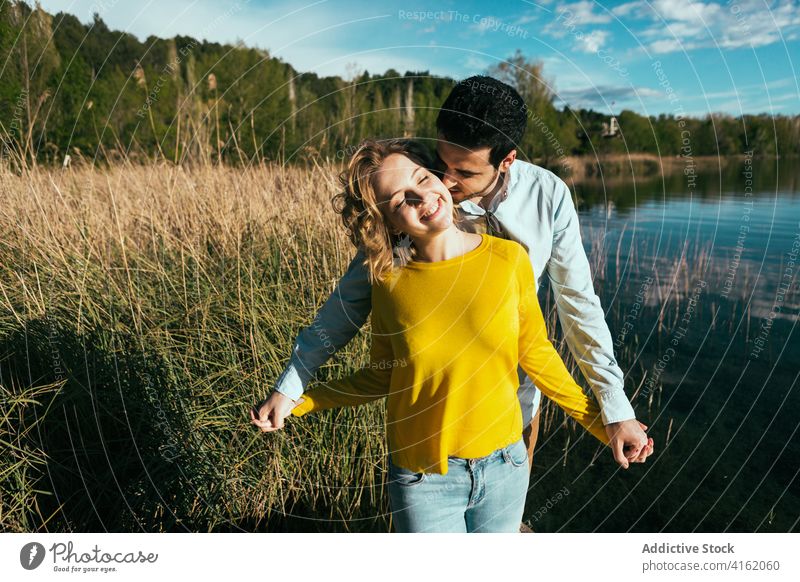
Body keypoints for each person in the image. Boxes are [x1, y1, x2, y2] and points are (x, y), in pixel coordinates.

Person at [253, 75, 653, 474]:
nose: (445, 180)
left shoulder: (547, 196)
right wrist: (292, 387)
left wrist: (613, 408)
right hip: (431, 428)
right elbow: (346, 306)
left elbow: (578, 305)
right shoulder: (421, 199)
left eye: (463, 171)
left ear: (507, 160)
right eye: (440, 164)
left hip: (516, 409)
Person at [253, 139, 619, 532]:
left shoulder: (509, 260)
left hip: (506, 467)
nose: (420, 198)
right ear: (389, 224)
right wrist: (299, 401)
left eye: (422, 179)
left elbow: (538, 356)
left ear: (441, 179)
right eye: (399, 201)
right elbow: (380, 376)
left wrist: (607, 424)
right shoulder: (389, 283)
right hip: (422, 481)